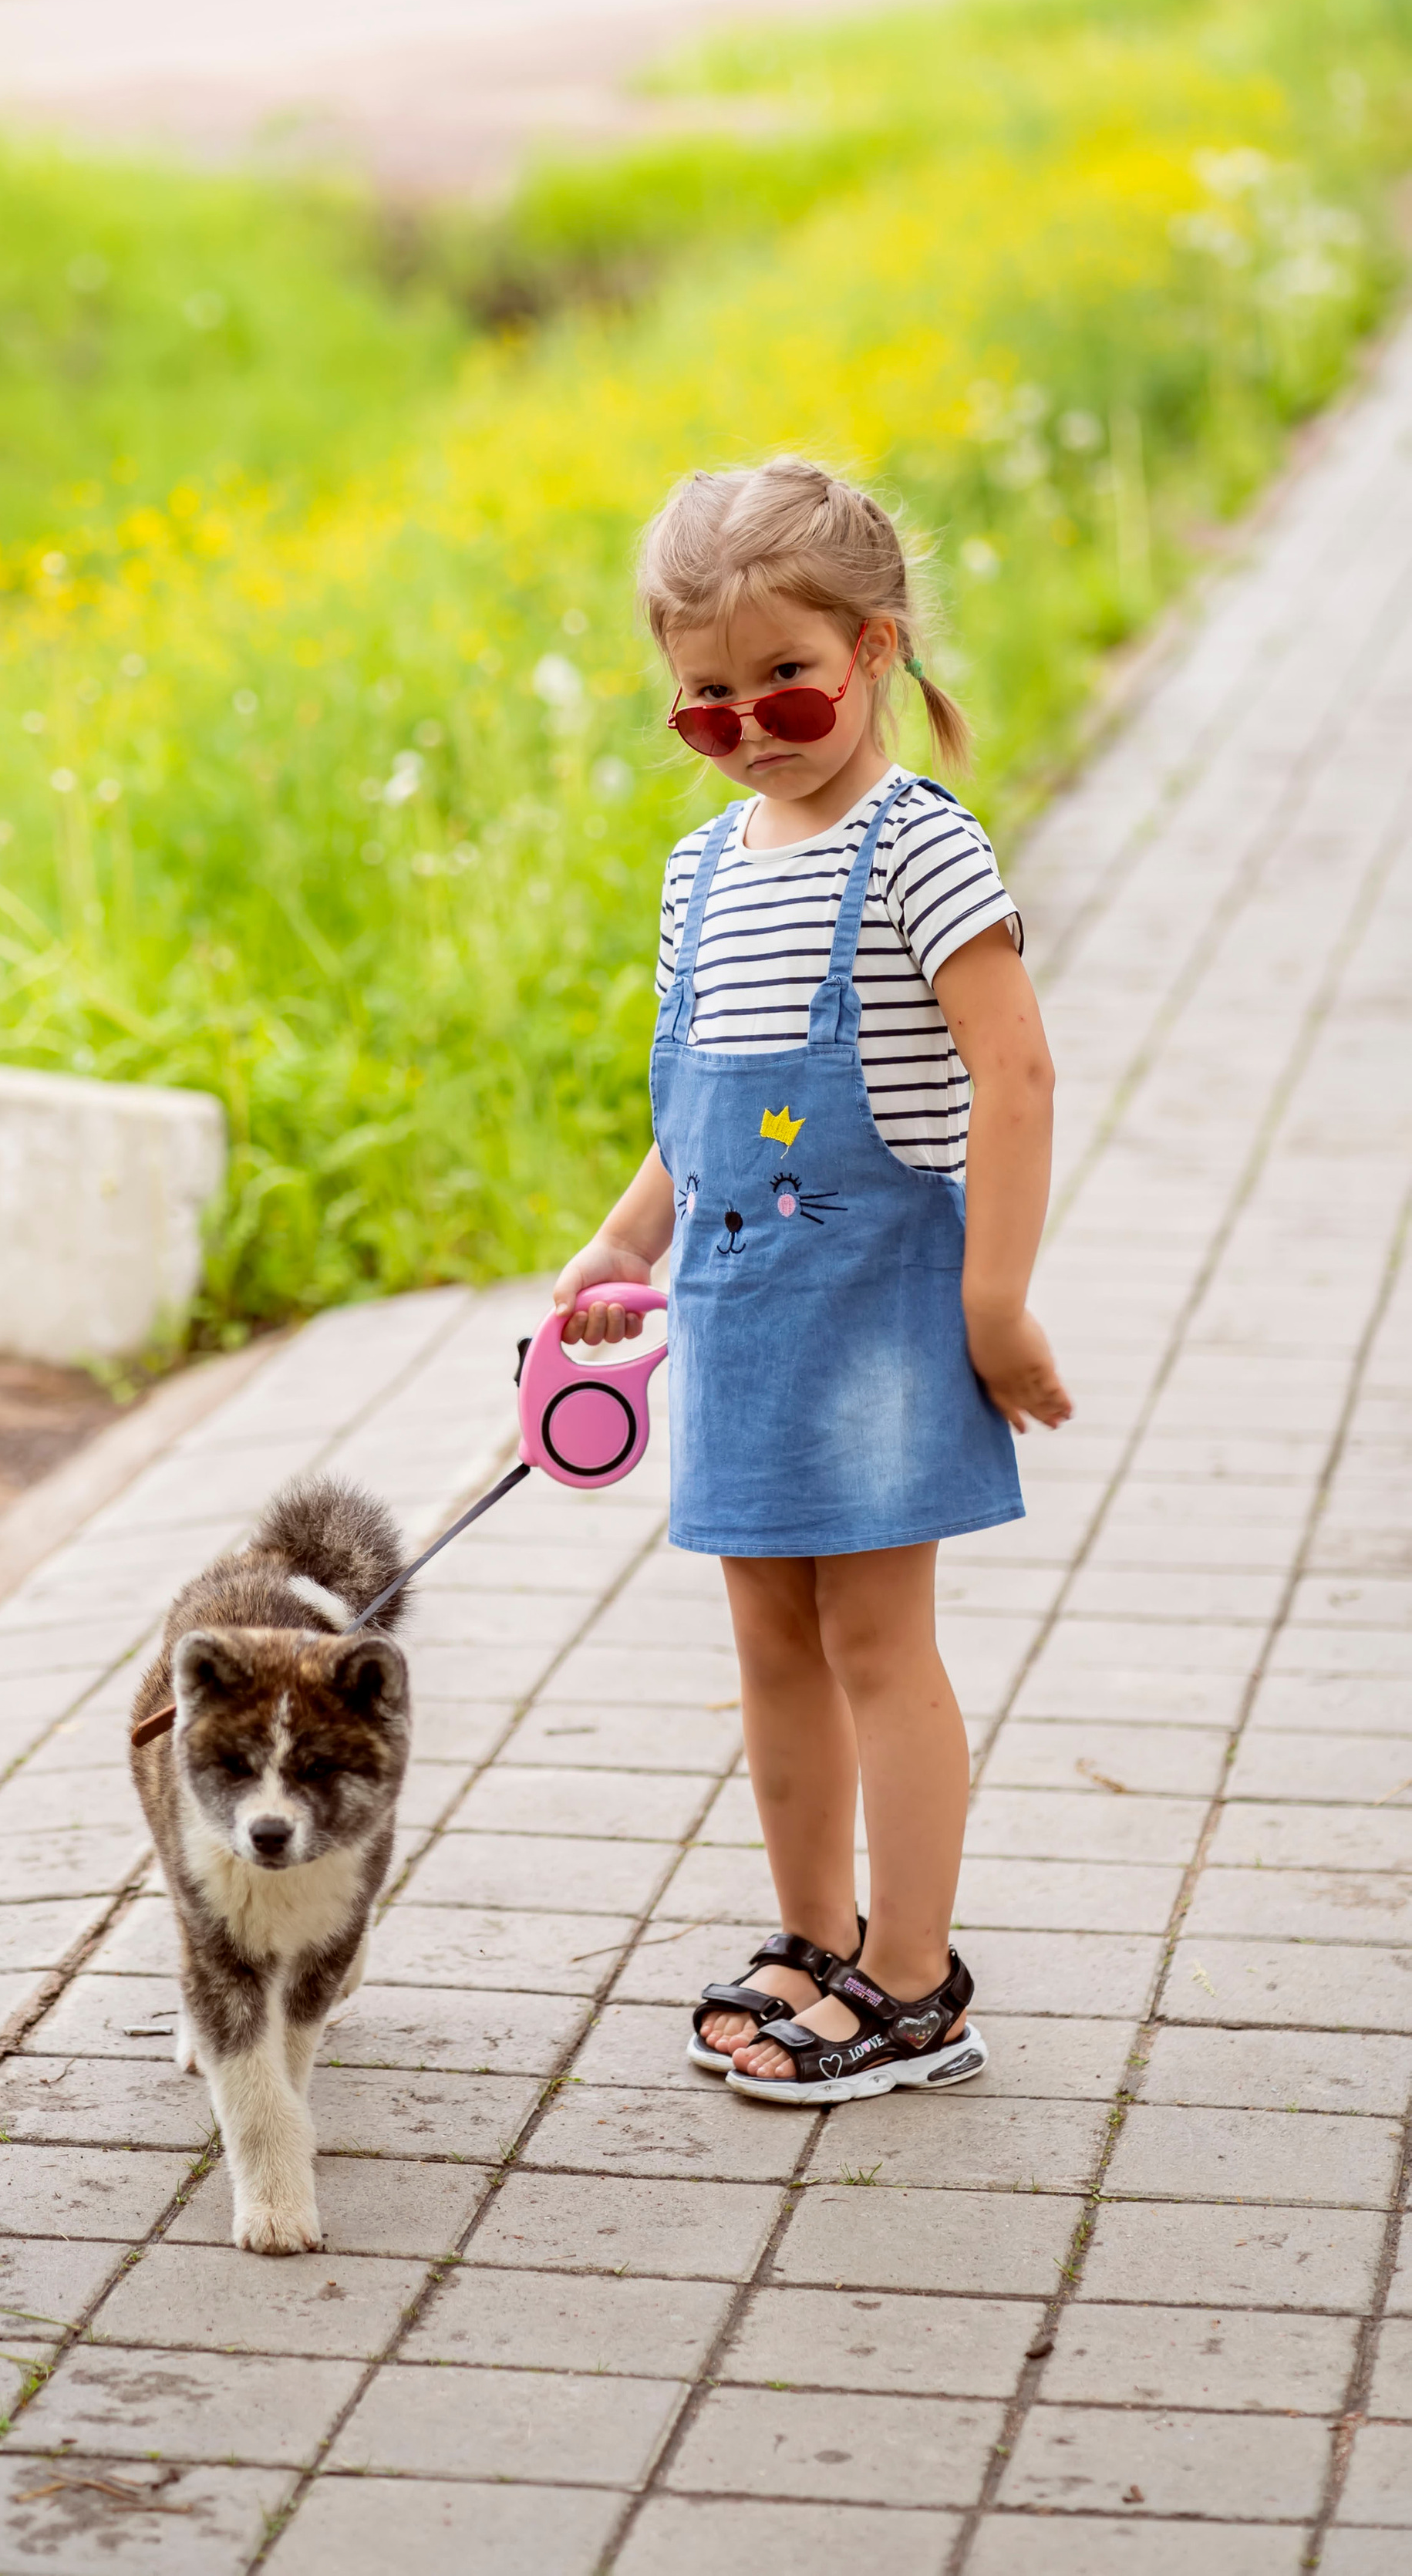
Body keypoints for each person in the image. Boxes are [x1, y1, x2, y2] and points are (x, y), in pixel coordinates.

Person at [552, 460, 1070, 2104]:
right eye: (703, 705)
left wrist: (995, 1303)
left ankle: (913, 1982)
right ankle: (813, 1934)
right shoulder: (698, 875)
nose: (751, 726)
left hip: (878, 1316)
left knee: (872, 1639)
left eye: (781, 680)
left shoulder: (917, 848)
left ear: (871, 650)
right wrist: (622, 1241)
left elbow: (1014, 1074)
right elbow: (697, 1113)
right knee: (767, 1634)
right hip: (738, 1313)